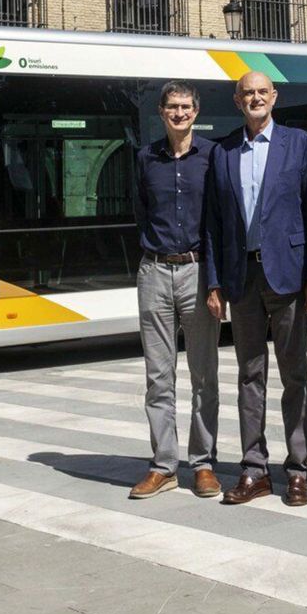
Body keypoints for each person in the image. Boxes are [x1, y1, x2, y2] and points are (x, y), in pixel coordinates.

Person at [202, 70, 307, 508]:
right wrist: (214, 282)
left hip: (289, 276)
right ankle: (254, 469)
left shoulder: (299, 143)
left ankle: (298, 470)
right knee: (249, 376)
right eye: (247, 93)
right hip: (242, 278)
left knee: (295, 375)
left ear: (274, 97)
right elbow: (213, 224)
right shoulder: (222, 151)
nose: (255, 98)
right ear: (237, 101)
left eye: (262, 92)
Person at [127, 81, 220, 501]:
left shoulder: (212, 157)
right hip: (154, 271)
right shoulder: (146, 158)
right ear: (162, 112)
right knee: (158, 377)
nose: (179, 113)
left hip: (198, 273)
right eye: (172, 107)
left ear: (195, 112)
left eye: (186, 106)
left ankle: (203, 464)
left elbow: (220, 219)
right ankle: (164, 466)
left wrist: (216, 281)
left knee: (204, 375)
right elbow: (140, 212)